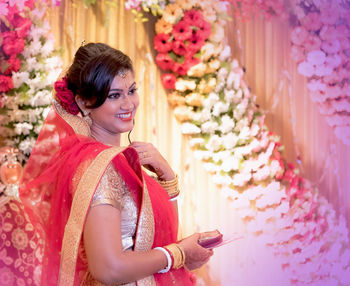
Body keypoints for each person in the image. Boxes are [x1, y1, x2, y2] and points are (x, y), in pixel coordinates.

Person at [19, 42, 217, 286]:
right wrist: (179, 254)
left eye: (131, 91)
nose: (128, 104)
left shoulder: (112, 160)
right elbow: (108, 268)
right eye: (114, 95)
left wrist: (168, 179)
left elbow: (155, 239)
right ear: (83, 103)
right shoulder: (100, 166)